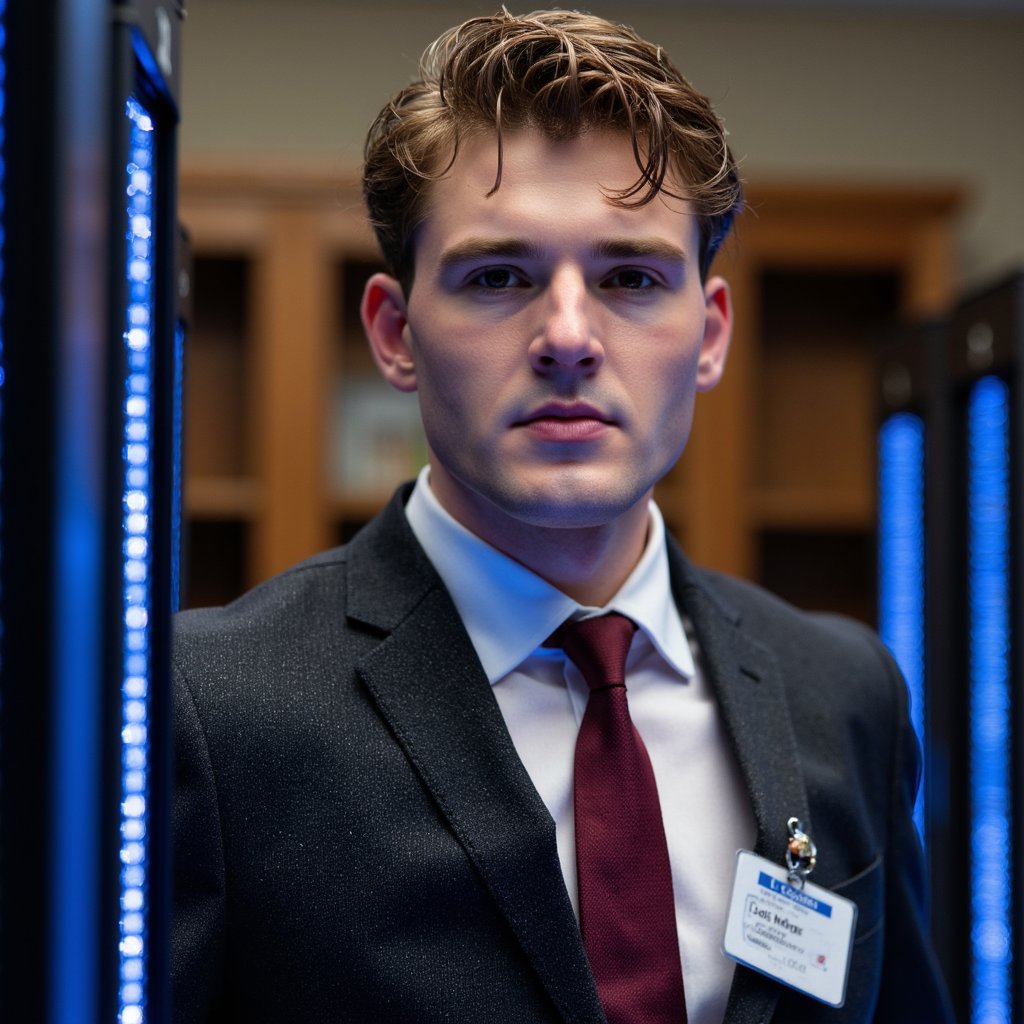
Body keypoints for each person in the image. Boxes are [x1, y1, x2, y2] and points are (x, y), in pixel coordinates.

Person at [172, 10, 952, 1024]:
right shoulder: (210, 711)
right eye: (499, 276)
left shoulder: (844, 694)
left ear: (710, 334)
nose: (569, 337)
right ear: (395, 333)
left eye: (631, 277)